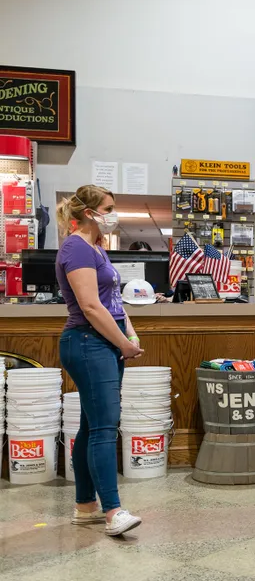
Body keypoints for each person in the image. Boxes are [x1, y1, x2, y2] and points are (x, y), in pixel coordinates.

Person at [55, 185, 145, 537]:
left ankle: (85, 506)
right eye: (109, 208)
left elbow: (113, 302)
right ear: (90, 213)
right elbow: (91, 307)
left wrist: (130, 335)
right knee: (105, 429)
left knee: (91, 427)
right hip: (89, 343)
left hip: (103, 342)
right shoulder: (76, 246)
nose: (114, 214)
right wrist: (122, 343)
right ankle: (113, 512)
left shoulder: (96, 247)